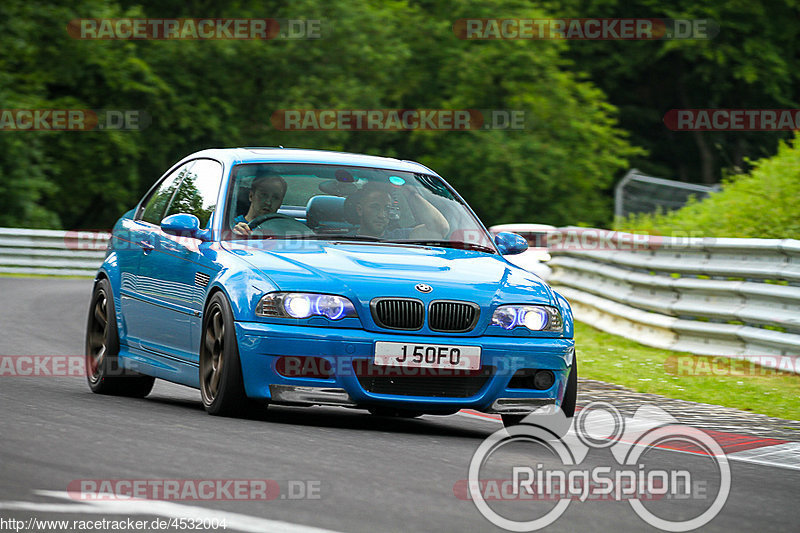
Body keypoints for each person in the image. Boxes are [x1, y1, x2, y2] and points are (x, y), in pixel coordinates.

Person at [345, 181, 449, 239]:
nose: (382, 215)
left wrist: (410, 193)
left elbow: (441, 229)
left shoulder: (401, 238)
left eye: (387, 208)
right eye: (375, 207)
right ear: (359, 210)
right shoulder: (341, 240)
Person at [232, 172, 288, 236]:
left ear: (280, 203)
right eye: (264, 195)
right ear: (251, 196)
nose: (268, 202)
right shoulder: (232, 226)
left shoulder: (284, 232)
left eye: (275, 198)